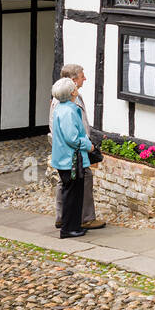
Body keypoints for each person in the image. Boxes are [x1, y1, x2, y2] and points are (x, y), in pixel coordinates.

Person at [48, 63, 106, 230]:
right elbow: (70, 135)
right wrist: (89, 146)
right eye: (82, 76)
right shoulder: (64, 103)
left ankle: (63, 217)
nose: (85, 78)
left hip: (68, 151)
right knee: (83, 179)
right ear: (73, 81)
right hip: (73, 152)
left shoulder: (66, 98)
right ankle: (84, 218)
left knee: (65, 184)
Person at [50, 78, 93, 239]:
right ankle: (69, 228)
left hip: (65, 158)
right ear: (72, 92)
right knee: (72, 194)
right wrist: (88, 145)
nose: (77, 88)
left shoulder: (61, 108)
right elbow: (72, 138)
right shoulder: (68, 111)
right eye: (74, 87)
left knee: (73, 193)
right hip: (70, 160)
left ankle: (73, 226)